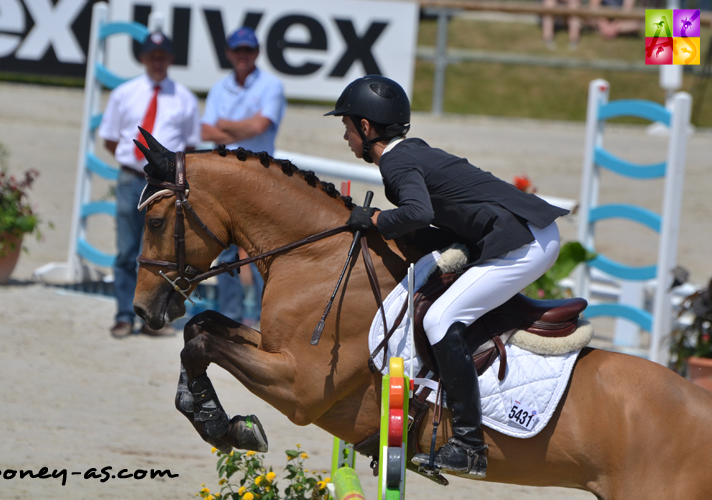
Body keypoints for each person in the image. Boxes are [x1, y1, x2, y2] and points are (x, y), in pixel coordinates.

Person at [325, 76, 569, 477]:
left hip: (525, 242)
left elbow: (417, 214)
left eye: (347, 127)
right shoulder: (412, 153)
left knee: (441, 319)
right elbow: (432, 223)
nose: (346, 137)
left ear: (366, 128)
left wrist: (374, 218)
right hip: (528, 233)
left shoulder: (397, 162)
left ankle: (469, 445)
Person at [99, 31, 200, 338]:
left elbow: (191, 146)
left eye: (163, 56)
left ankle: (151, 317)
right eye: (152, 56)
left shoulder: (184, 98)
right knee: (127, 249)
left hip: (167, 185)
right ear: (143, 59)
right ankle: (123, 315)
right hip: (132, 177)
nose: (158, 62)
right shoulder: (124, 93)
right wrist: (133, 161)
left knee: (162, 252)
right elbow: (109, 138)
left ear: (170, 59)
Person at [200, 26, 286, 325]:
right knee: (226, 253)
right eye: (238, 50)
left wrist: (224, 126)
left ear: (257, 53)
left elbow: (259, 127)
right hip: (226, 176)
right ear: (229, 53)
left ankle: (267, 317)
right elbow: (206, 131)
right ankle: (230, 316)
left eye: (247, 50)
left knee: (263, 250)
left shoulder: (271, 85)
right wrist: (241, 126)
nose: (243, 56)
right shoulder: (220, 87)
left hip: (258, 176)